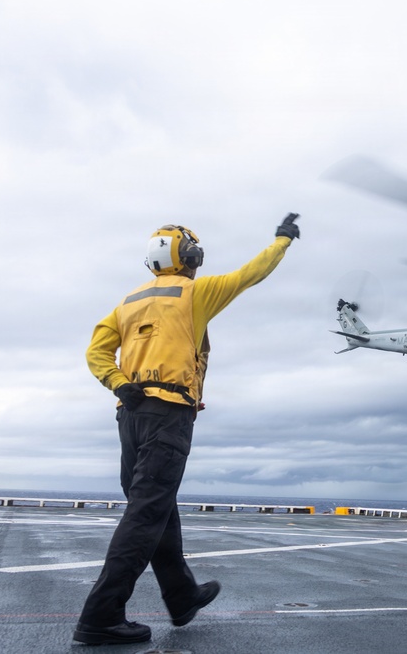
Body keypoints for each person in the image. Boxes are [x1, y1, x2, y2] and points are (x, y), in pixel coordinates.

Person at [73, 214, 301, 645]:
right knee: (145, 515)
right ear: (190, 257)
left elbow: (96, 352)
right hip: (169, 416)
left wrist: (121, 384)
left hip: (130, 414)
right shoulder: (195, 292)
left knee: (157, 508)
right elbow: (252, 273)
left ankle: (182, 597)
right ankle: (100, 616)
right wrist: (282, 240)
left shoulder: (127, 303)